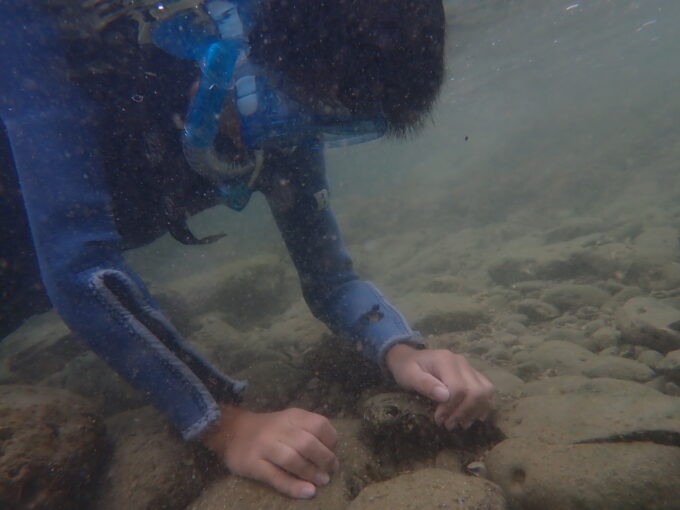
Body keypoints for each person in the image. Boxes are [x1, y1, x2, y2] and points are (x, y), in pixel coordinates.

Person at [0, 0, 495, 500]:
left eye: (326, 122)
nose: (290, 136)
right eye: (290, 107)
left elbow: (331, 281)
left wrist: (401, 350)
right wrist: (226, 424)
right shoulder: (53, 33)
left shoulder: (282, 105)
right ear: (234, 45)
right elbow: (78, 268)